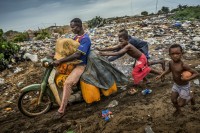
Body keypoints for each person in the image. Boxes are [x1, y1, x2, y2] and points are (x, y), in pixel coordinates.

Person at [99, 30, 161, 95]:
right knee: (141, 69)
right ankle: (153, 76)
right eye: (120, 41)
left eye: (122, 41)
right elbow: (113, 48)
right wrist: (101, 49)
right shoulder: (123, 44)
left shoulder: (128, 46)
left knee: (135, 73)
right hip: (139, 58)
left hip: (141, 58)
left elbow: (119, 53)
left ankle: (145, 88)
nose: (121, 43)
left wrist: (105, 54)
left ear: (127, 39)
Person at [53, 18, 91, 119]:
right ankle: (64, 98)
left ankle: (61, 110)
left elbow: (77, 54)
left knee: (67, 83)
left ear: (79, 26)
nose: (72, 29)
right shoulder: (75, 38)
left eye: (73, 27)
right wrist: (55, 54)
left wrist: (61, 61)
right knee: (57, 75)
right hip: (72, 64)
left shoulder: (85, 39)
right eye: (71, 27)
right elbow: (68, 51)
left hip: (80, 65)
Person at [156, 44, 200, 116]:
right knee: (173, 100)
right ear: (169, 55)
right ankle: (178, 110)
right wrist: (161, 75)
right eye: (173, 54)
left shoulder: (183, 65)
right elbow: (169, 70)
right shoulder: (170, 62)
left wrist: (188, 78)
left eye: (177, 53)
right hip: (176, 85)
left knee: (181, 104)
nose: (175, 55)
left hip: (184, 86)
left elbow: (197, 74)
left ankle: (191, 96)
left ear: (181, 54)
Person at [97, 29, 166, 71]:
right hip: (139, 50)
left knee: (143, 65)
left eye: (120, 37)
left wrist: (109, 58)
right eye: (119, 37)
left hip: (142, 49)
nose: (119, 39)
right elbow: (115, 48)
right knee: (139, 65)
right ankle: (159, 63)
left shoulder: (129, 42)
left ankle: (159, 66)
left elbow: (120, 53)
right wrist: (102, 50)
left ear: (125, 37)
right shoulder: (125, 41)